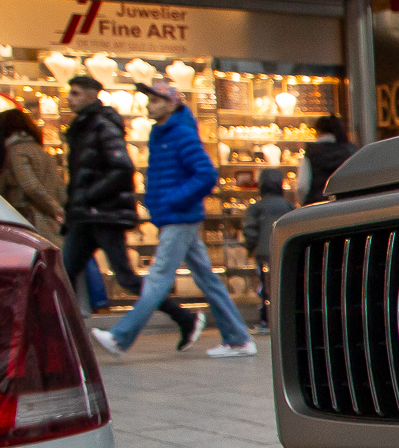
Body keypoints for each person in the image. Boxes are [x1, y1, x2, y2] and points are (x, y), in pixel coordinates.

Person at [93, 81, 256, 358]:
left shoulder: (180, 134)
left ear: (171, 104)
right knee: (208, 279)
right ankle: (239, 338)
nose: (149, 104)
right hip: (175, 216)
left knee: (158, 278)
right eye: (149, 100)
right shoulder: (162, 133)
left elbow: (205, 174)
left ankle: (120, 337)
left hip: (179, 217)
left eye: (155, 100)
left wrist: (174, 200)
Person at [61, 74, 199, 348]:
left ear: (91, 95)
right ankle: (59, 336)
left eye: (75, 93)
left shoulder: (102, 125)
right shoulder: (82, 126)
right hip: (87, 216)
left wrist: (88, 197)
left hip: (104, 214)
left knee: (125, 277)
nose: (69, 98)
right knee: (63, 274)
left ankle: (184, 318)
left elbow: (123, 168)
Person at [0, 106, 65, 239]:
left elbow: (30, 186)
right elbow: (59, 188)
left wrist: (55, 209)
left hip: (27, 221)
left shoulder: (15, 152)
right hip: (49, 224)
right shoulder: (42, 152)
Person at [240, 168, 294, 313]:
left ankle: (266, 317)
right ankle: (283, 313)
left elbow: (250, 230)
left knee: (265, 286)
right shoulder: (288, 205)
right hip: (284, 251)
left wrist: (250, 247)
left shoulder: (256, 207)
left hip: (263, 252)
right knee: (283, 285)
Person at [298, 114, 357, 204]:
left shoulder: (311, 153)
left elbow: (302, 187)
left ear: (317, 131)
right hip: (343, 205)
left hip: (317, 206)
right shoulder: (349, 151)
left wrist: (303, 205)